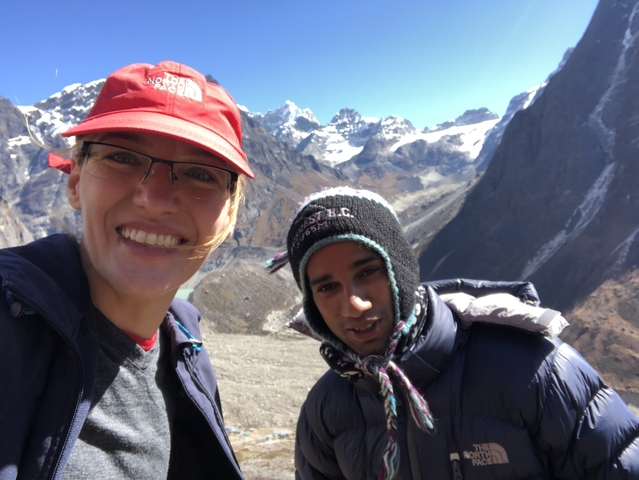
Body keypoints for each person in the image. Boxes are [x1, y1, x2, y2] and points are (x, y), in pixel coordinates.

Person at [274, 186, 639, 479]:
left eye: (368, 272)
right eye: (326, 288)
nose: (353, 304)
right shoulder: (324, 414)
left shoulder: (538, 371)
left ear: (400, 271)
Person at [0, 61, 253, 479]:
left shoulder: (186, 348)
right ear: (75, 181)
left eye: (199, 174)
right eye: (122, 157)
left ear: (229, 215)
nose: (154, 199)